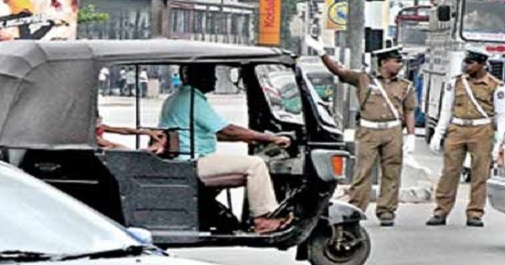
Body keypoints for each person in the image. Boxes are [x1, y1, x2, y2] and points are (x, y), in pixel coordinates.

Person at [158, 63, 293, 234]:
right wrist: (270, 138)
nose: (214, 79)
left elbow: (212, 132)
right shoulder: (191, 99)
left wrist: (248, 139)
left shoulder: (178, 98)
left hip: (185, 159)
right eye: (209, 73)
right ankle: (263, 219)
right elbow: (227, 129)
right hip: (192, 162)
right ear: (194, 76)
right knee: (255, 166)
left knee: (249, 166)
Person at [307, 37, 417, 227]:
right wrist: (321, 53)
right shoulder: (363, 79)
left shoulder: (405, 85)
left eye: (400, 62)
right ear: (384, 62)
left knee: (392, 172)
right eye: (396, 61)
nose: (400, 65)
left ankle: (386, 211)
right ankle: (356, 208)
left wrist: (411, 135)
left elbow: (409, 110)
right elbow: (338, 71)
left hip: (393, 131)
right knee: (362, 172)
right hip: (368, 131)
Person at [427, 48, 505, 228]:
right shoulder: (456, 83)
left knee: (480, 174)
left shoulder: (495, 86)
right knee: (449, 172)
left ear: (482, 64)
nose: (466, 66)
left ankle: (475, 213)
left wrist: (498, 143)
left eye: (471, 63)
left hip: (482, 129)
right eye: (466, 62)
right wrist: (439, 133)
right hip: (457, 128)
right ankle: (441, 211)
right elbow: (446, 109)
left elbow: (501, 115)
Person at [96, 115, 166, 154]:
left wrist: (148, 132)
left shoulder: (101, 127)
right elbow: (106, 143)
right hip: (98, 151)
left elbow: (124, 130)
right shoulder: (90, 134)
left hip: (104, 148)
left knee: (121, 148)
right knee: (121, 148)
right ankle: (146, 151)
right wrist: (149, 149)